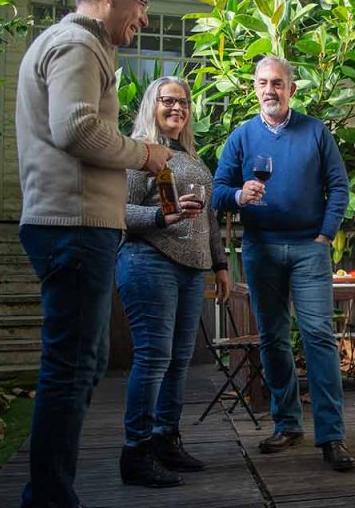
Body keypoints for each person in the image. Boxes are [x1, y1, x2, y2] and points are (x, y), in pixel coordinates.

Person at [15, 0, 172, 507]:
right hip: (73, 227)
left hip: (70, 227)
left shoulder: (68, 44)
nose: (144, 21)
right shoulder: (79, 45)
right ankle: (50, 499)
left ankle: (50, 494)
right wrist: (147, 155)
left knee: (77, 365)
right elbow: (77, 128)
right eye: (141, 6)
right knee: (72, 369)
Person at [211, 55, 355, 471]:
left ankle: (331, 435)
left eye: (277, 83)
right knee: (273, 339)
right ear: (254, 88)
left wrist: (325, 235)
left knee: (318, 337)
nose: (269, 90)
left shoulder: (315, 132)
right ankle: (287, 423)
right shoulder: (241, 137)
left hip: (309, 248)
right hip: (261, 249)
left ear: (291, 89)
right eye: (262, 83)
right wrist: (239, 195)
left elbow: (339, 187)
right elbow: (218, 190)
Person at [116, 77, 231, 487]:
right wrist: (158, 217)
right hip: (149, 262)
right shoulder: (139, 153)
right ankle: (136, 451)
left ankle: (166, 439)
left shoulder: (192, 157)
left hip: (189, 269)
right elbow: (116, 211)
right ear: (152, 104)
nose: (177, 108)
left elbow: (209, 217)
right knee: (153, 359)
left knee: (178, 361)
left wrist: (220, 265)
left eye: (183, 102)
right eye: (168, 101)